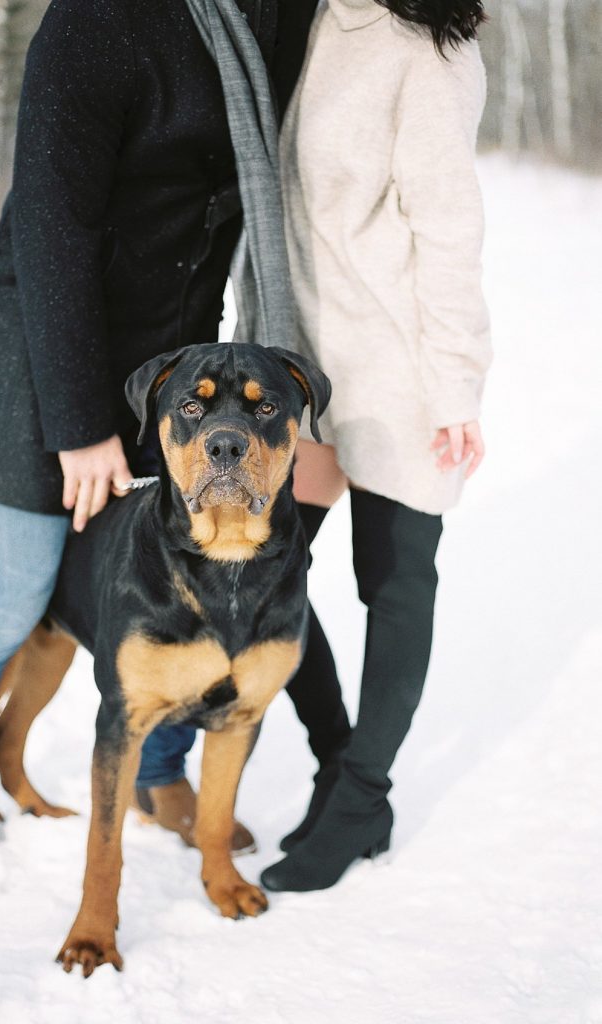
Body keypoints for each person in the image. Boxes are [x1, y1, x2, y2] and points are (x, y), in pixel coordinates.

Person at [0, 0, 318, 913]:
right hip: (48, 354)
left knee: (174, 590)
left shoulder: (280, 18)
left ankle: (161, 778)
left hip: (172, 365)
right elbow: (51, 225)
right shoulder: (99, 18)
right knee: (12, 592)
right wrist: (79, 424)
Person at [259, 0, 492, 892]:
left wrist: (456, 381)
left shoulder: (428, 49)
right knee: (270, 576)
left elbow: (449, 229)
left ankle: (363, 798)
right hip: (305, 364)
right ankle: (334, 761)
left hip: (399, 371)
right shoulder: (310, 21)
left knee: (392, 588)